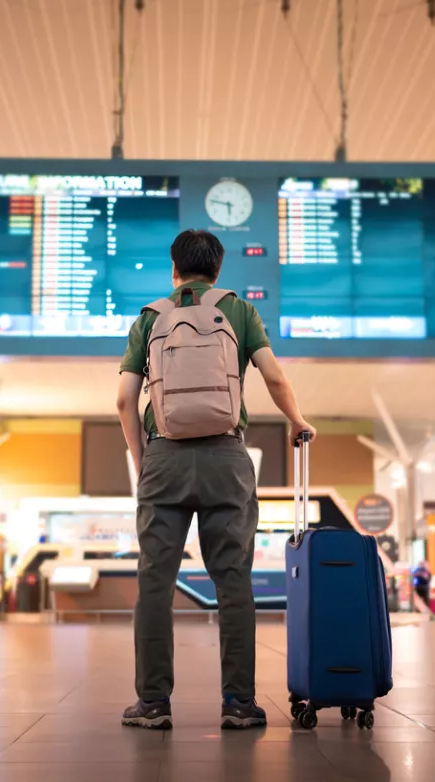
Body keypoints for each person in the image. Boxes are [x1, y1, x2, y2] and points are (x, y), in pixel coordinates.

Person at [116, 229, 315, 730]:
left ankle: (154, 703)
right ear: (218, 270)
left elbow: (123, 400)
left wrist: (145, 462)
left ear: (175, 269)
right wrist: (296, 420)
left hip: (164, 457)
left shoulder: (150, 318)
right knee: (233, 582)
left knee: (155, 581)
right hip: (227, 456)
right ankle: (238, 703)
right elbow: (273, 377)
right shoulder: (239, 311)